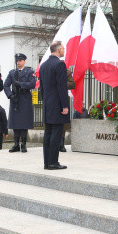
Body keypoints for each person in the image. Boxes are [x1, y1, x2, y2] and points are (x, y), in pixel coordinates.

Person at [39, 41, 70, 170]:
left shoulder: (44, 65)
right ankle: (53, 163)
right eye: (63, 48)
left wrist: (45, 101)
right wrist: (65, 105)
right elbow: (61, 87)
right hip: (57, 104)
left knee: (48, 133)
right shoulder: (60, 64)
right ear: (58, 50)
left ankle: (47, 162)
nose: (64, 50)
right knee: (56, 134)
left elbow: (42, 88)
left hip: (47, 104)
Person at [4, 53, 36, 153]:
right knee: (15, 123)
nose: (18, 62)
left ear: (24, 61)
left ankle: (24, 144)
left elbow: (33, 84)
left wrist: (21, 84)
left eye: (20, 60)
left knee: (24, 123)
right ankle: (16, 144)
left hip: (25, 98)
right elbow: (6, 85)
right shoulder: (12, 72)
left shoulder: (29, 72)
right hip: (15, 99)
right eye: (17, 61)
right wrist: (10, 95)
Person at [59, 68, 76, 153]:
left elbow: (72, 84)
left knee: (63, 122)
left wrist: (61, 84)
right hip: (52, 98)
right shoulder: (50, 70)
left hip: (64, 98)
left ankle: (62, 143)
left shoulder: (67, 72)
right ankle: (55, 143)